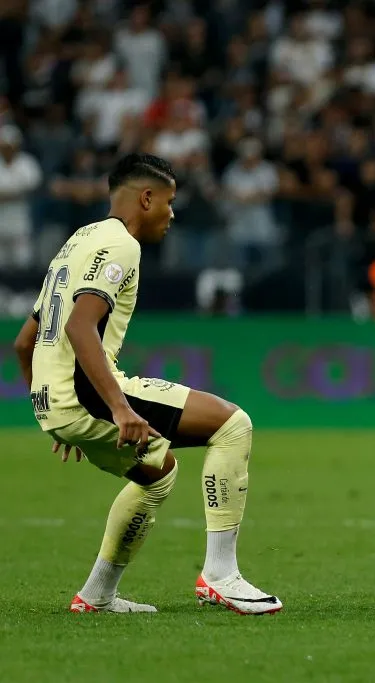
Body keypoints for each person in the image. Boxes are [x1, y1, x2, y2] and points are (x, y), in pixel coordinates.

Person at [11, 154, 281, 615]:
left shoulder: (77, 241)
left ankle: (97, 595)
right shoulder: (120, 244)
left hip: (54, 401)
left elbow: (24, 342)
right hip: (85, 393)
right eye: (169, 202)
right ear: (146, 197)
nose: (172, 214)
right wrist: (115, 408)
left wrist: (54, 412)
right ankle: (222, 576)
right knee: (233, 425)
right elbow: (81, 327)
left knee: (158, 474)